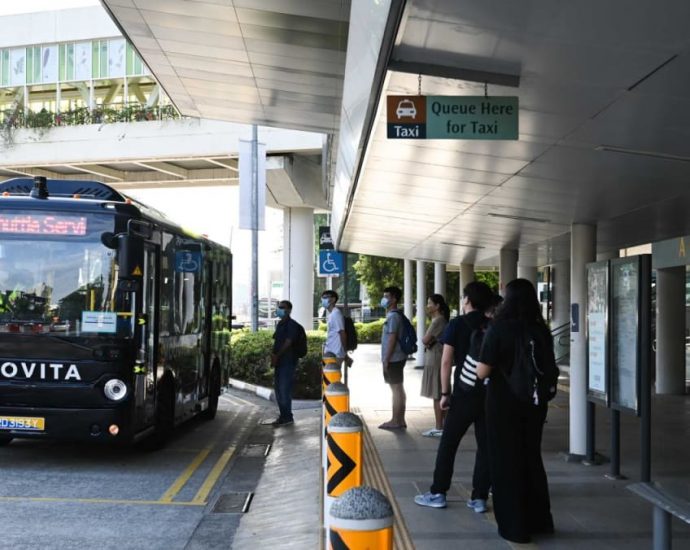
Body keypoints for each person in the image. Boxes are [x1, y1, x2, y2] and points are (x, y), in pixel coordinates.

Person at [476, 278, 555, 543]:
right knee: (531, 457)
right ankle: (540, 520)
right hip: (535, 404)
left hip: (503, 404)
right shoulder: (540, 330)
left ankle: (515, 526)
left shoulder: (499, 330)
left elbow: (482, 371)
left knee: (505, 461)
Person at [414, 281, 494, 512]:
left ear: (468, 300)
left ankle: (438, 492)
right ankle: (479, 498)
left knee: (449, 444)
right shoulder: (492, 325)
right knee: (485, 446)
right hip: (488, 394)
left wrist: (445, 393)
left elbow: (446, 361)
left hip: (463, 393)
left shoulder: (457, 324)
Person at [419, 293, 450, 437]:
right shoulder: (439, 320)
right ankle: (443, 425)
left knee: (437, 393)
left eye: (430, 303)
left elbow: (425, 340)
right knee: (439, 392)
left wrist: (427, 339)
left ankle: (439, 427)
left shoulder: (438, 321)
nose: (428, 306)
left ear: (437, 306)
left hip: (436, 359)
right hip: (435, 357)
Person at [379, 285, 407, 430]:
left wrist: (386, 359)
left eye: (387, 296)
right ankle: (400, 419)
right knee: (399, 388)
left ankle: (396, 420)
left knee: (395, 389)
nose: (384, 299)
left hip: (394, 358)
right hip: (398, 357)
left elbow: (391, 338)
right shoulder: (396, 315)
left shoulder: (393, 316)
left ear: (394, 299)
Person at [270, 300, 301, 427]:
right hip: (279, 362)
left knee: (284, 390)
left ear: (289, 310)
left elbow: (288, 342)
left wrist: (277, 355)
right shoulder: (280, 324)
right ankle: (283, 416)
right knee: (279, 389)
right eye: (279, 307)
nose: (279, 309)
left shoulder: (292, 325)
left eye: (282, 307)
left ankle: (287, 417)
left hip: (287, 362)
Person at [321, 290, 352, 370]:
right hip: (331, 352)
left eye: (325, 297)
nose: (323, 300)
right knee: (329, 378)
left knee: (333, 378)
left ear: (333, 299)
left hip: (335, 353)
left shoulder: (336, 314)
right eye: (322, 298)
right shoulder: (332, 314)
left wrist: (344, 352)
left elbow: (342, 333)